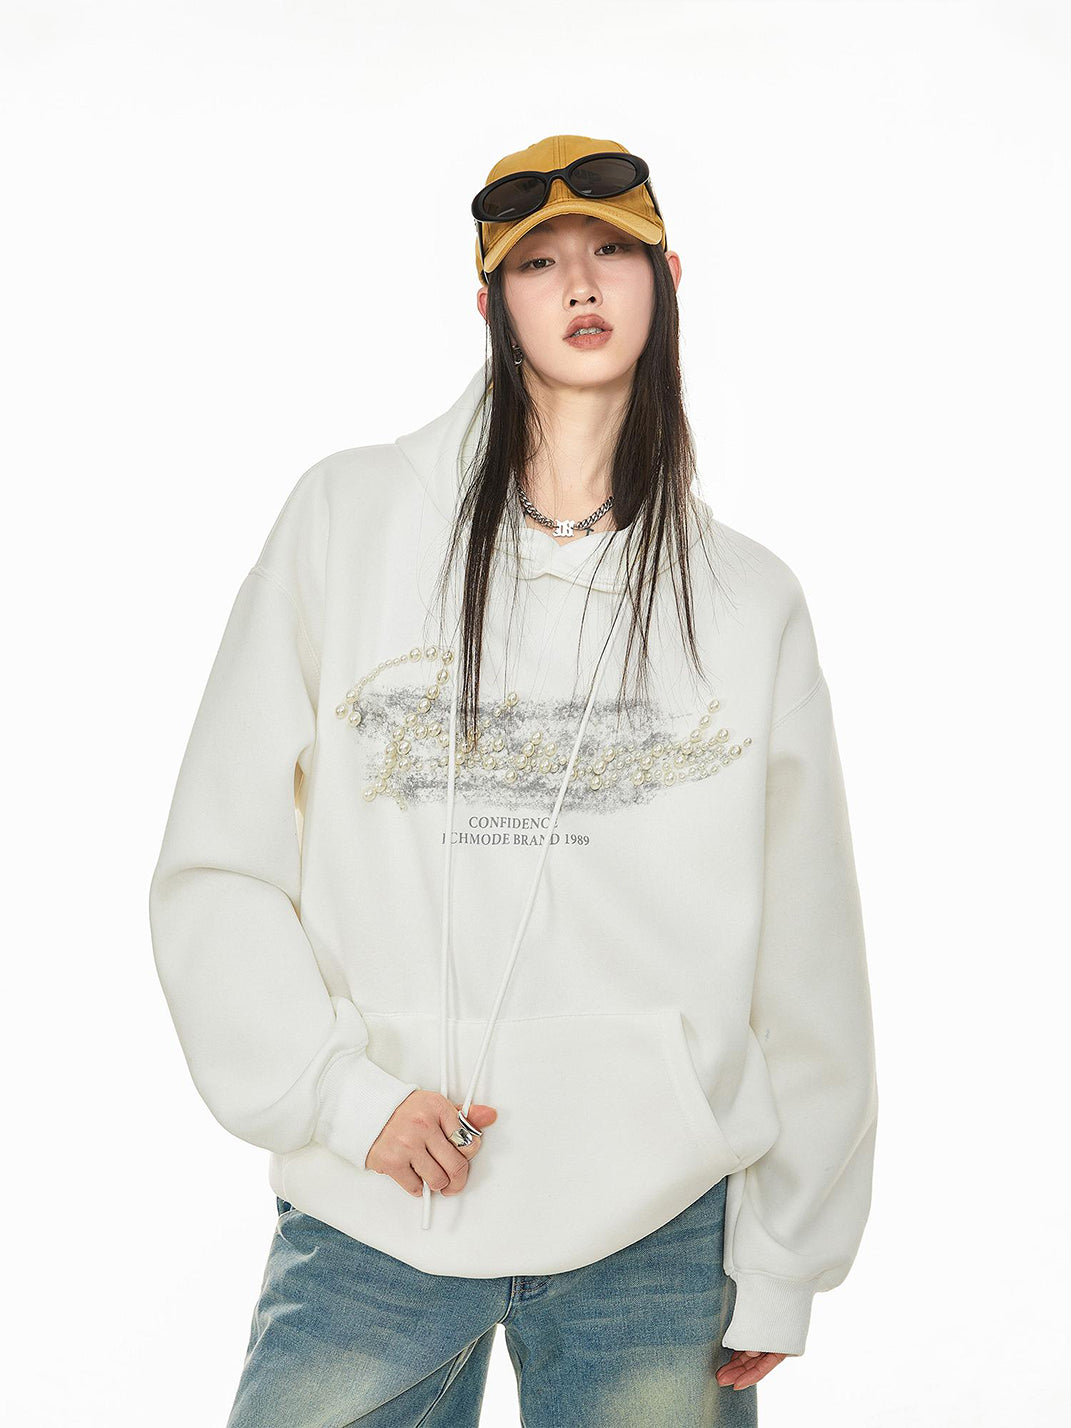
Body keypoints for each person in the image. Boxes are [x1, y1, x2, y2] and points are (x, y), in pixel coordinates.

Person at [148, 133, 879, 1426]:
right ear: (490, 304)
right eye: (538, 263)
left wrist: (787, 1254)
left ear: (666, 279)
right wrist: (337, 1095)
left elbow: (807, 951)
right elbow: (219, 862)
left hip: (657, 1229)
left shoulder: (746, 600)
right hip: (377, 1204)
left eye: (611, 253)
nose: (580, 284)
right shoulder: (349, 520)